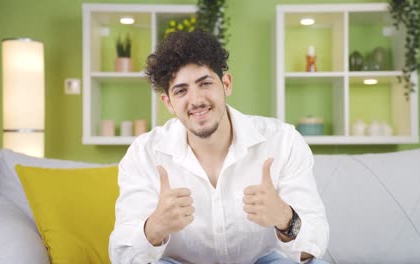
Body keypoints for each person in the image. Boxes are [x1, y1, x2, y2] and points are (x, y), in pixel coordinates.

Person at [109, 30, 329, 264]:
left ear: (226, 84)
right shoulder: (144, 153)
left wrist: (286, 219)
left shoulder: (283, 141)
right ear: (168, 102)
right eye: (181, 91)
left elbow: (315, 247)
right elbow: (122, 255)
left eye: (205, 83)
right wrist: (154, 227)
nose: (196, 100)